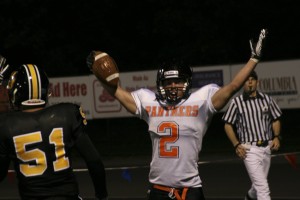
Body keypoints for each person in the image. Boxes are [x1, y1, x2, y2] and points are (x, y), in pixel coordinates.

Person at [87, 29, 267, 200]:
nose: (173, 86)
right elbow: (116, 91)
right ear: (160, 84)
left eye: (178, 81)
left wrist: (254, 59)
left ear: (187, 82)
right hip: (158, 189)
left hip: (190, 190)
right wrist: (100, 74)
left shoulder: (201, 101)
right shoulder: (150, 102)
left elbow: (233, 86)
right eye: (168, 82)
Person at [0, 64, 108, 200]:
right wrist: (102, 195)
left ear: (15, 93)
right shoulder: (67, 114)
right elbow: (94, 160)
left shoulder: (6, 125)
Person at [222, 70, 282, 200]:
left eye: (252, 79)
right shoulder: (236, 102)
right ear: (243, 83)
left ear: (257, 82)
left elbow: (275, 119)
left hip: (267, 148)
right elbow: (227, 125)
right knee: (263, 187)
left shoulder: (267, 99)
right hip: (249, 149)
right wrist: (236, 144)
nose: (249, 82)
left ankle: (248, 197)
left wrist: (276, 136)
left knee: (257, 187)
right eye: (246, 80)